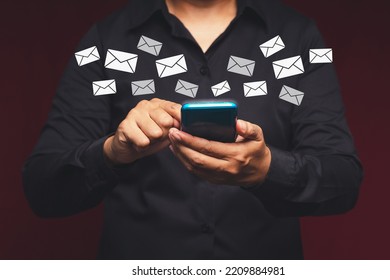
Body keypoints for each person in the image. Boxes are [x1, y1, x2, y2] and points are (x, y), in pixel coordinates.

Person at [23, 0, 363, 259]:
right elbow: (42, 187)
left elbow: (343, 180)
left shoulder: (298, 39)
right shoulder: (105, 43)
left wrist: (267, 170)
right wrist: (113, 151)